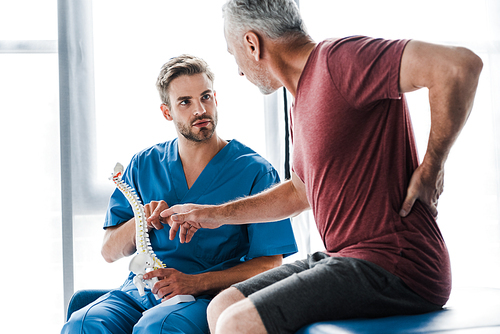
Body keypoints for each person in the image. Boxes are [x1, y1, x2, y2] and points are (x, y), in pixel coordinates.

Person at [159, 1, 484, 333]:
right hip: (345, 258)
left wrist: (432, 167)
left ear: (252, 44)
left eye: (233, 54)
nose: (239, 71)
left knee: (237, 324)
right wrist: (210, 214)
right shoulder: (299, 102)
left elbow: (458, 66)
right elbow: (301, 193)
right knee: (223, 306)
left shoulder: (340, 60)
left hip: (398, 263)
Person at [61, 54, 297, 334]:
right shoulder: (144, 165)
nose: (200, 110)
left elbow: (270, 264)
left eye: (206, 97)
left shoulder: (254, 172)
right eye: (185, 102)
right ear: (167, 111)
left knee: (160, 327)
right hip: (139, 292)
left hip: (204, 295)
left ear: (216, 99)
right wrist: (141, 222)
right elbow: (109, 251)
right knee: (84, 323)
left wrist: (196, 283)